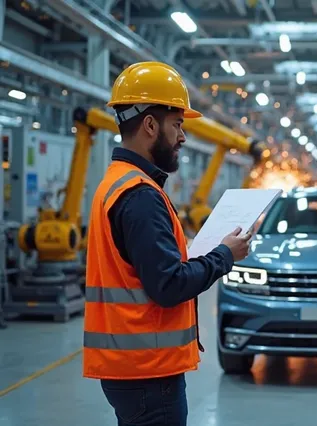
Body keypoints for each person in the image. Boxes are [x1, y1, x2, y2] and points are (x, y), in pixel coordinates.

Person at [82, 62, 253, 426]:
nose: (182, 136)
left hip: (132, 368)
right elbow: (168, 285)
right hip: (148, 371)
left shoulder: (116, 183)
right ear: (149, 125)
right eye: (177, 124)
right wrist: (225, 255)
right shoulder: (140, 195)